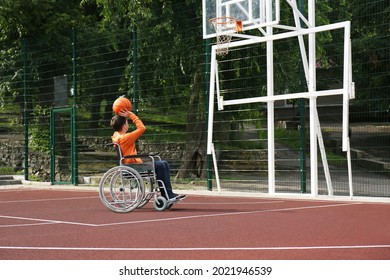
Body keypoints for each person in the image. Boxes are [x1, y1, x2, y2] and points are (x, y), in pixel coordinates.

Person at [110, 109, 186, 201]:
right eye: (127, 122)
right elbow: (142, 128)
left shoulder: (116, 136)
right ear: (124, 126)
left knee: (163, 163)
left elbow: (116, 125)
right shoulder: (125, 137)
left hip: (130, 164)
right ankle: (167, 194)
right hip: (133, 166)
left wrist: (118, 117)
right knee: (162, 164)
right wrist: (130, 114)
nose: (128, 124)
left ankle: (167, 193)